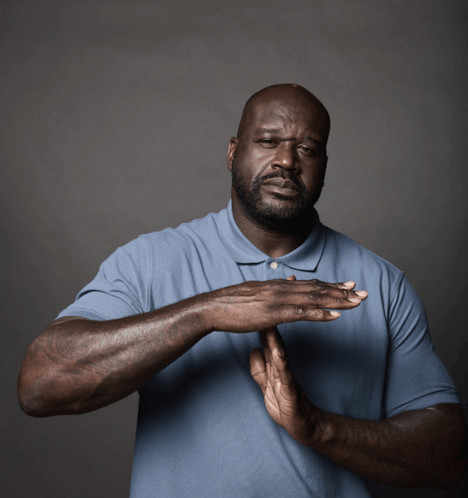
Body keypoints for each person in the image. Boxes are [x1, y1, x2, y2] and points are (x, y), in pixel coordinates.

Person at [18, 84, 467, 497]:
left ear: (324, 166)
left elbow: (450, 457)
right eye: (269, 141)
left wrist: (317, 427)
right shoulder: (151, 260)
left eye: (307, 149)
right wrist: (207, 311)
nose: (287, 161)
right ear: (233, 152)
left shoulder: (381, 284)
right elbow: (40, 385)